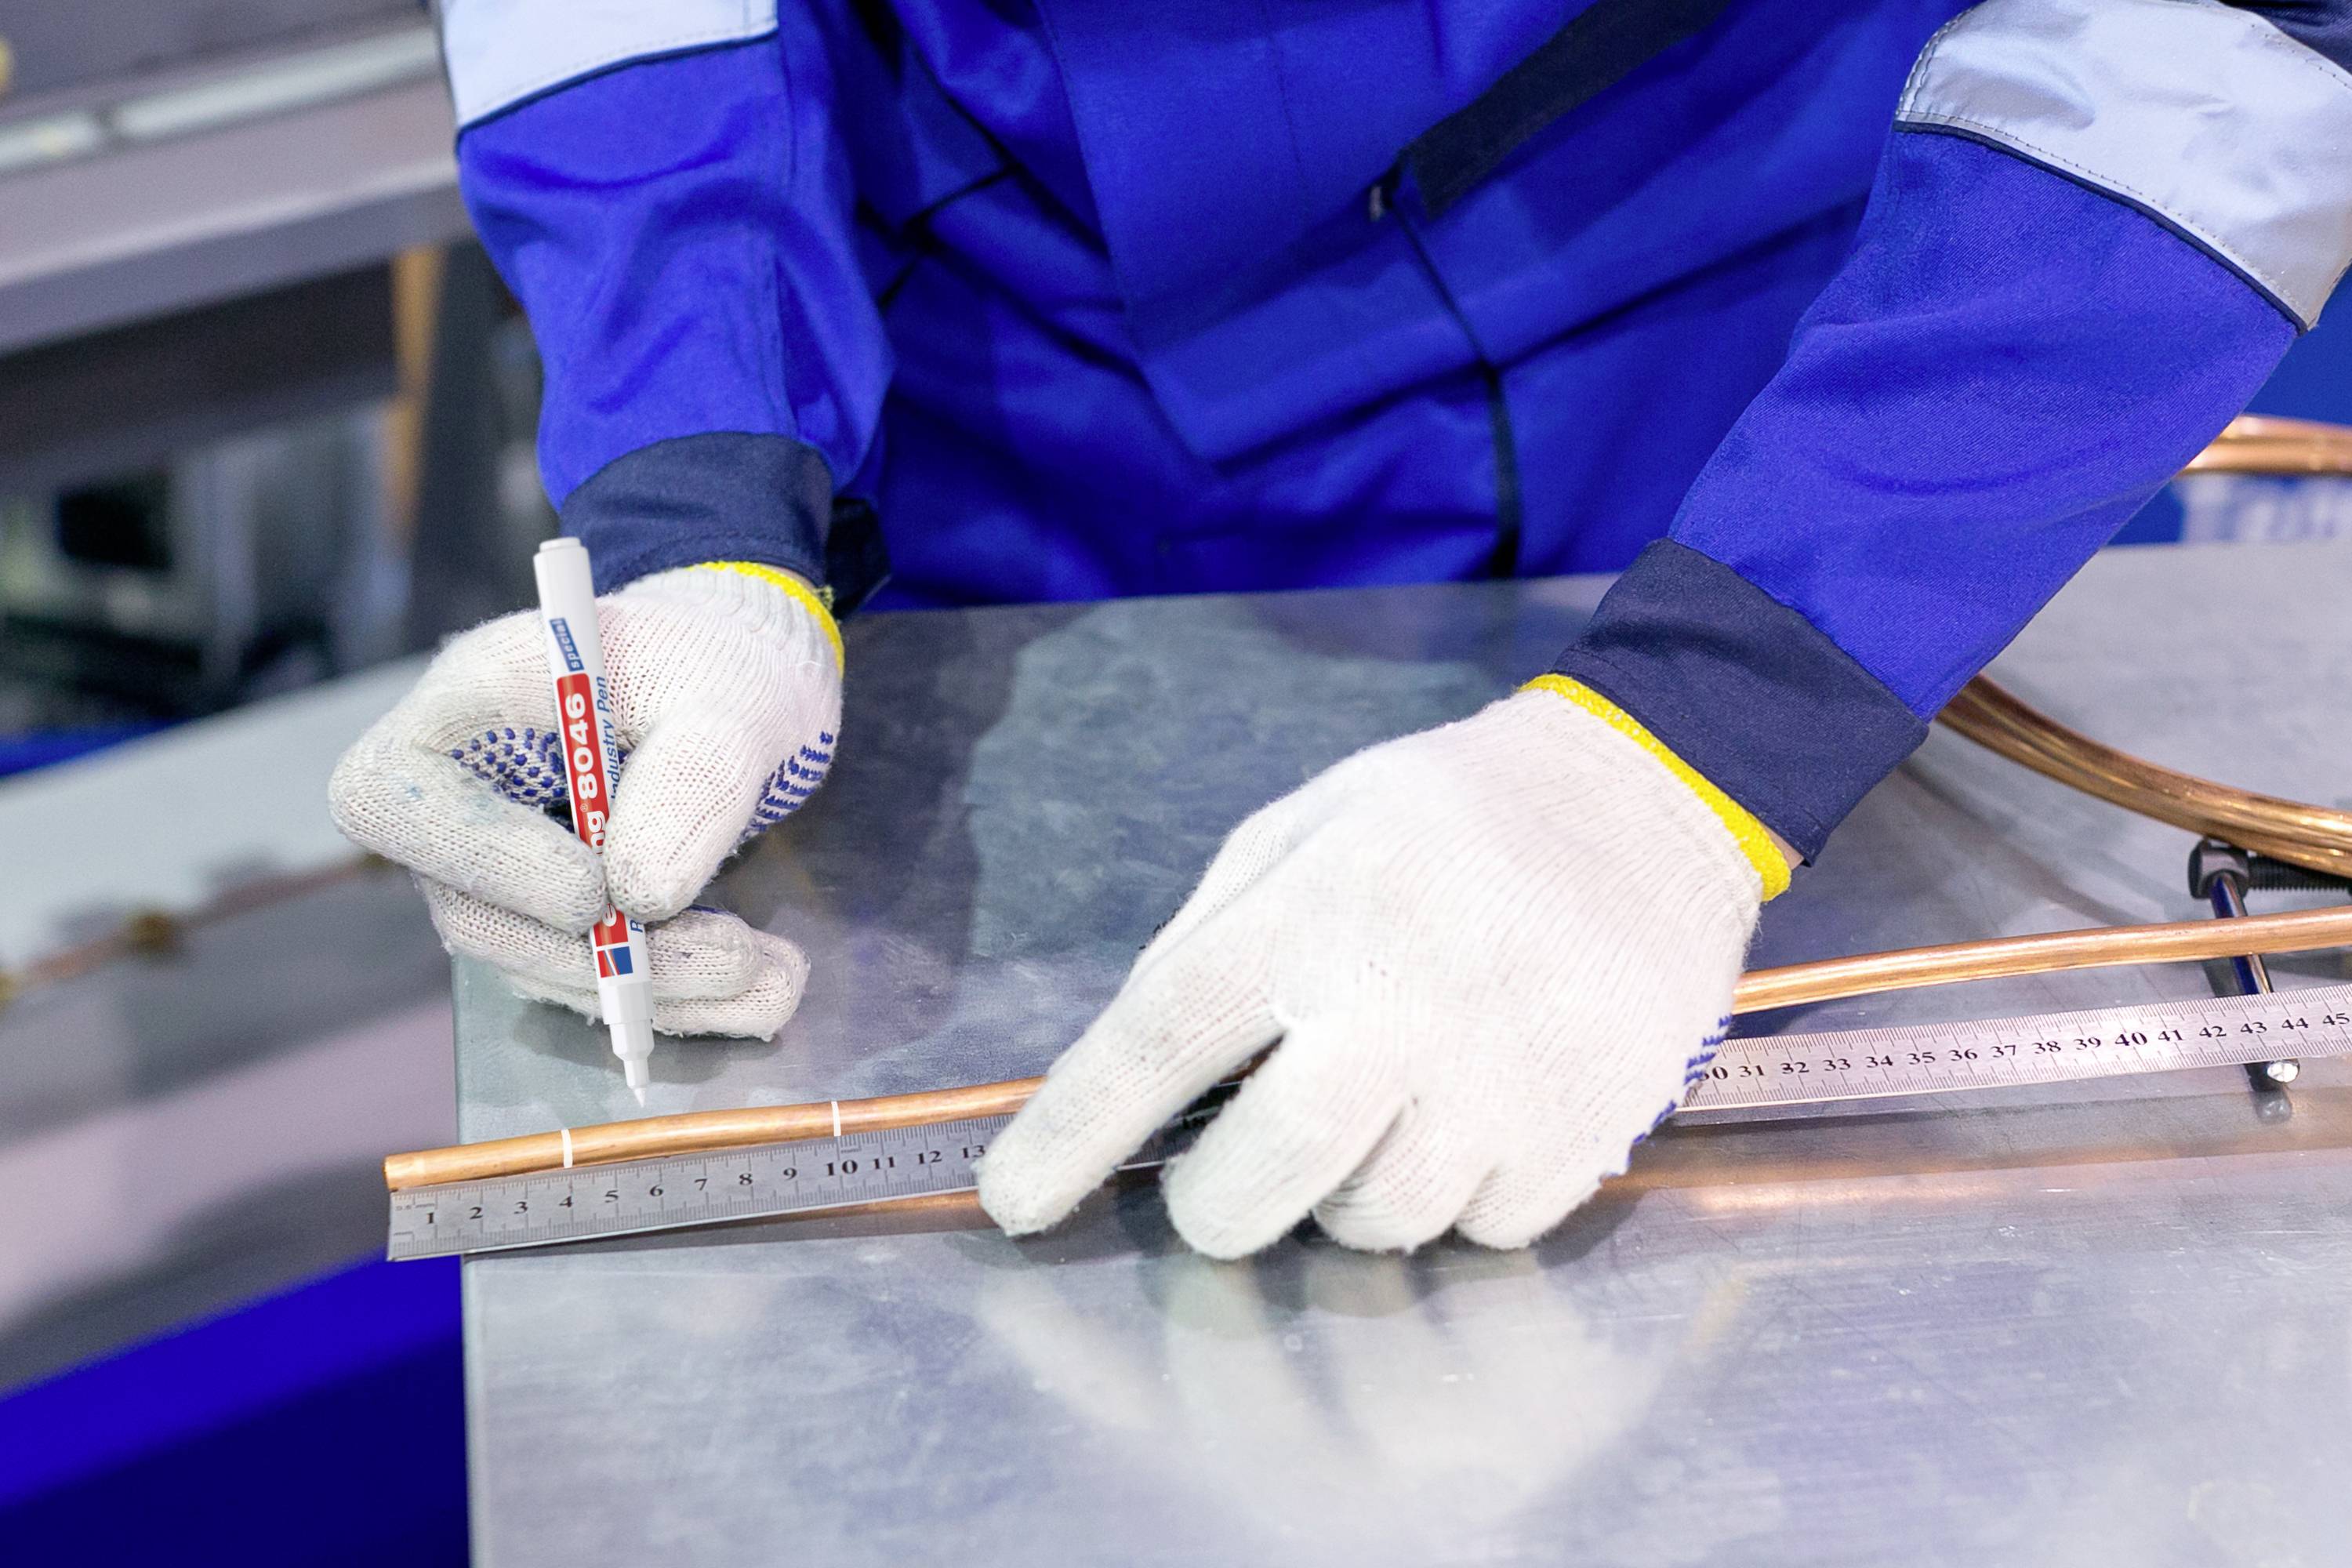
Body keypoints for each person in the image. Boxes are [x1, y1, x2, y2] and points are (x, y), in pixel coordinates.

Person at [331, 0, 2352, 1257]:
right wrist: (706, 489)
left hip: (1777, 307)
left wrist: (1710, 734)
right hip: (1016, 356)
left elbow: (2237, 45)